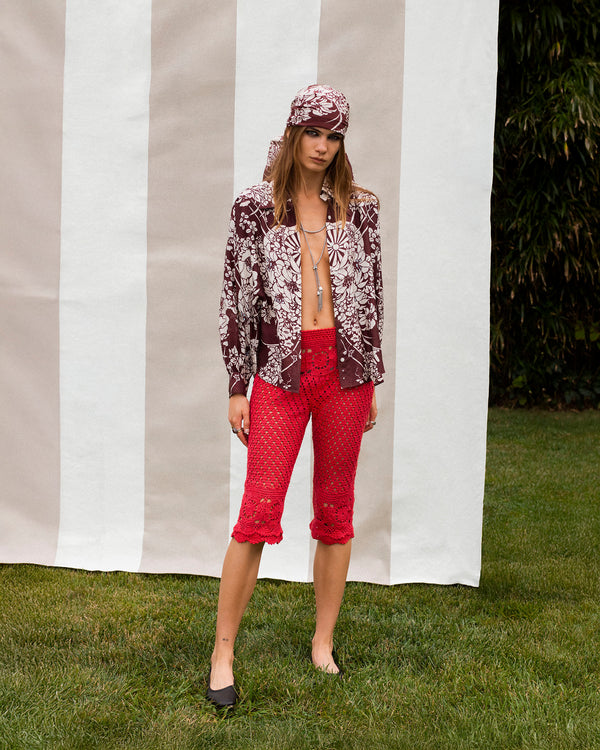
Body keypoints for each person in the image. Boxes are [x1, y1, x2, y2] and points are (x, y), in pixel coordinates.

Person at [208, 84, 384, 708]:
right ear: (292, 133)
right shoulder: (255, 207)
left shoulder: (359, 209)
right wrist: (238, 385)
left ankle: (322, 642)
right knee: (257, 512)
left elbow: (373, 296)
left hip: (345, 373)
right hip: (280, 375)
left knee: (336, 512)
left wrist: (371, 376)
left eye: (334, 136)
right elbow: (236, 298)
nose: (322, 145)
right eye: (313, 132)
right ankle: (222, 652)